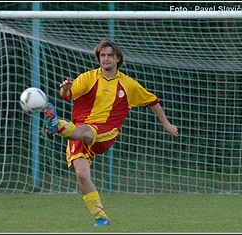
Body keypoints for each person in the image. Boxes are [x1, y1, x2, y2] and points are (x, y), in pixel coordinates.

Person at [44, 38, 179, 226]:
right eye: (103, 56)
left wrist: (167, 124)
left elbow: (152, 101)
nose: (106, 59)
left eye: (110, 56)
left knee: (86, 132)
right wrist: (65, 89)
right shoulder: (88, 78)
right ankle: (101, 217)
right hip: (76, 129)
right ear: (99, 59)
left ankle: (58, 125)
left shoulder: (128, 85)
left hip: (106, 131)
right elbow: (67, 95)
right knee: (82, 175)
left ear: (117, 59)